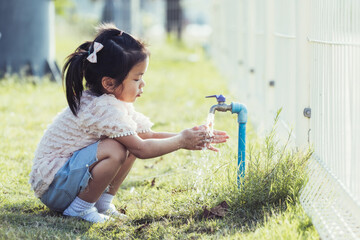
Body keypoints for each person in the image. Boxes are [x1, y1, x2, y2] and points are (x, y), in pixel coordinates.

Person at [29, 24, 229, 223]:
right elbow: (142, 149)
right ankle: (79, 209)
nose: (143, 84)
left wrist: (188, 137)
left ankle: (102, 203)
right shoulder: (101, 108)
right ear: (108, 83)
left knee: (127, 142)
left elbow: (145, 136)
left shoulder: (112, 102)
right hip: (54, 185)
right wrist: (181, 141)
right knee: (115, 148)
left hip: (65, 180)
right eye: (137, 78)